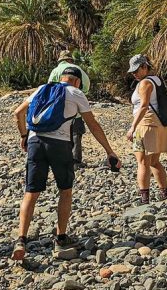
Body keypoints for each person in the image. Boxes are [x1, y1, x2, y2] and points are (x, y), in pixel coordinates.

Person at [11, 66, 121, 261]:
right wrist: (109, 151)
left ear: (61, 77)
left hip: (35, 142)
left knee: (31, 192)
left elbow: (18, 112)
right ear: (77, 81)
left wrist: (23, 136)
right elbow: (93, 125)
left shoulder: (42, 88)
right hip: (59, 145)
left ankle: (21, 240)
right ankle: (61, 238)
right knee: (65, 190)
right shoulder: (76, 93)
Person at [126, 54, 167, 204]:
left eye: (136, 70)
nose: (134, 74)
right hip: (159, 124)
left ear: (144, 67)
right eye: (132, 71)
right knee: (154, 161)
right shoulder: (156, 80)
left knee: (143, 162)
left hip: (146, 125)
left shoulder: (145, 83)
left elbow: (144, 105)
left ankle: (144, 199)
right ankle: (164, 194)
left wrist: (132, 127)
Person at [48, 50, 91, 167]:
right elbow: (87, 85)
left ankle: (59, 159)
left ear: (60, 60)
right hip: (75, 107)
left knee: (58, 132)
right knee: (76, 132)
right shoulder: (78, 70)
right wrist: (80, 94)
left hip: (58, 108)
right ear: (70, 59)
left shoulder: (55, 70)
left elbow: (50, 88)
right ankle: (76, 161)